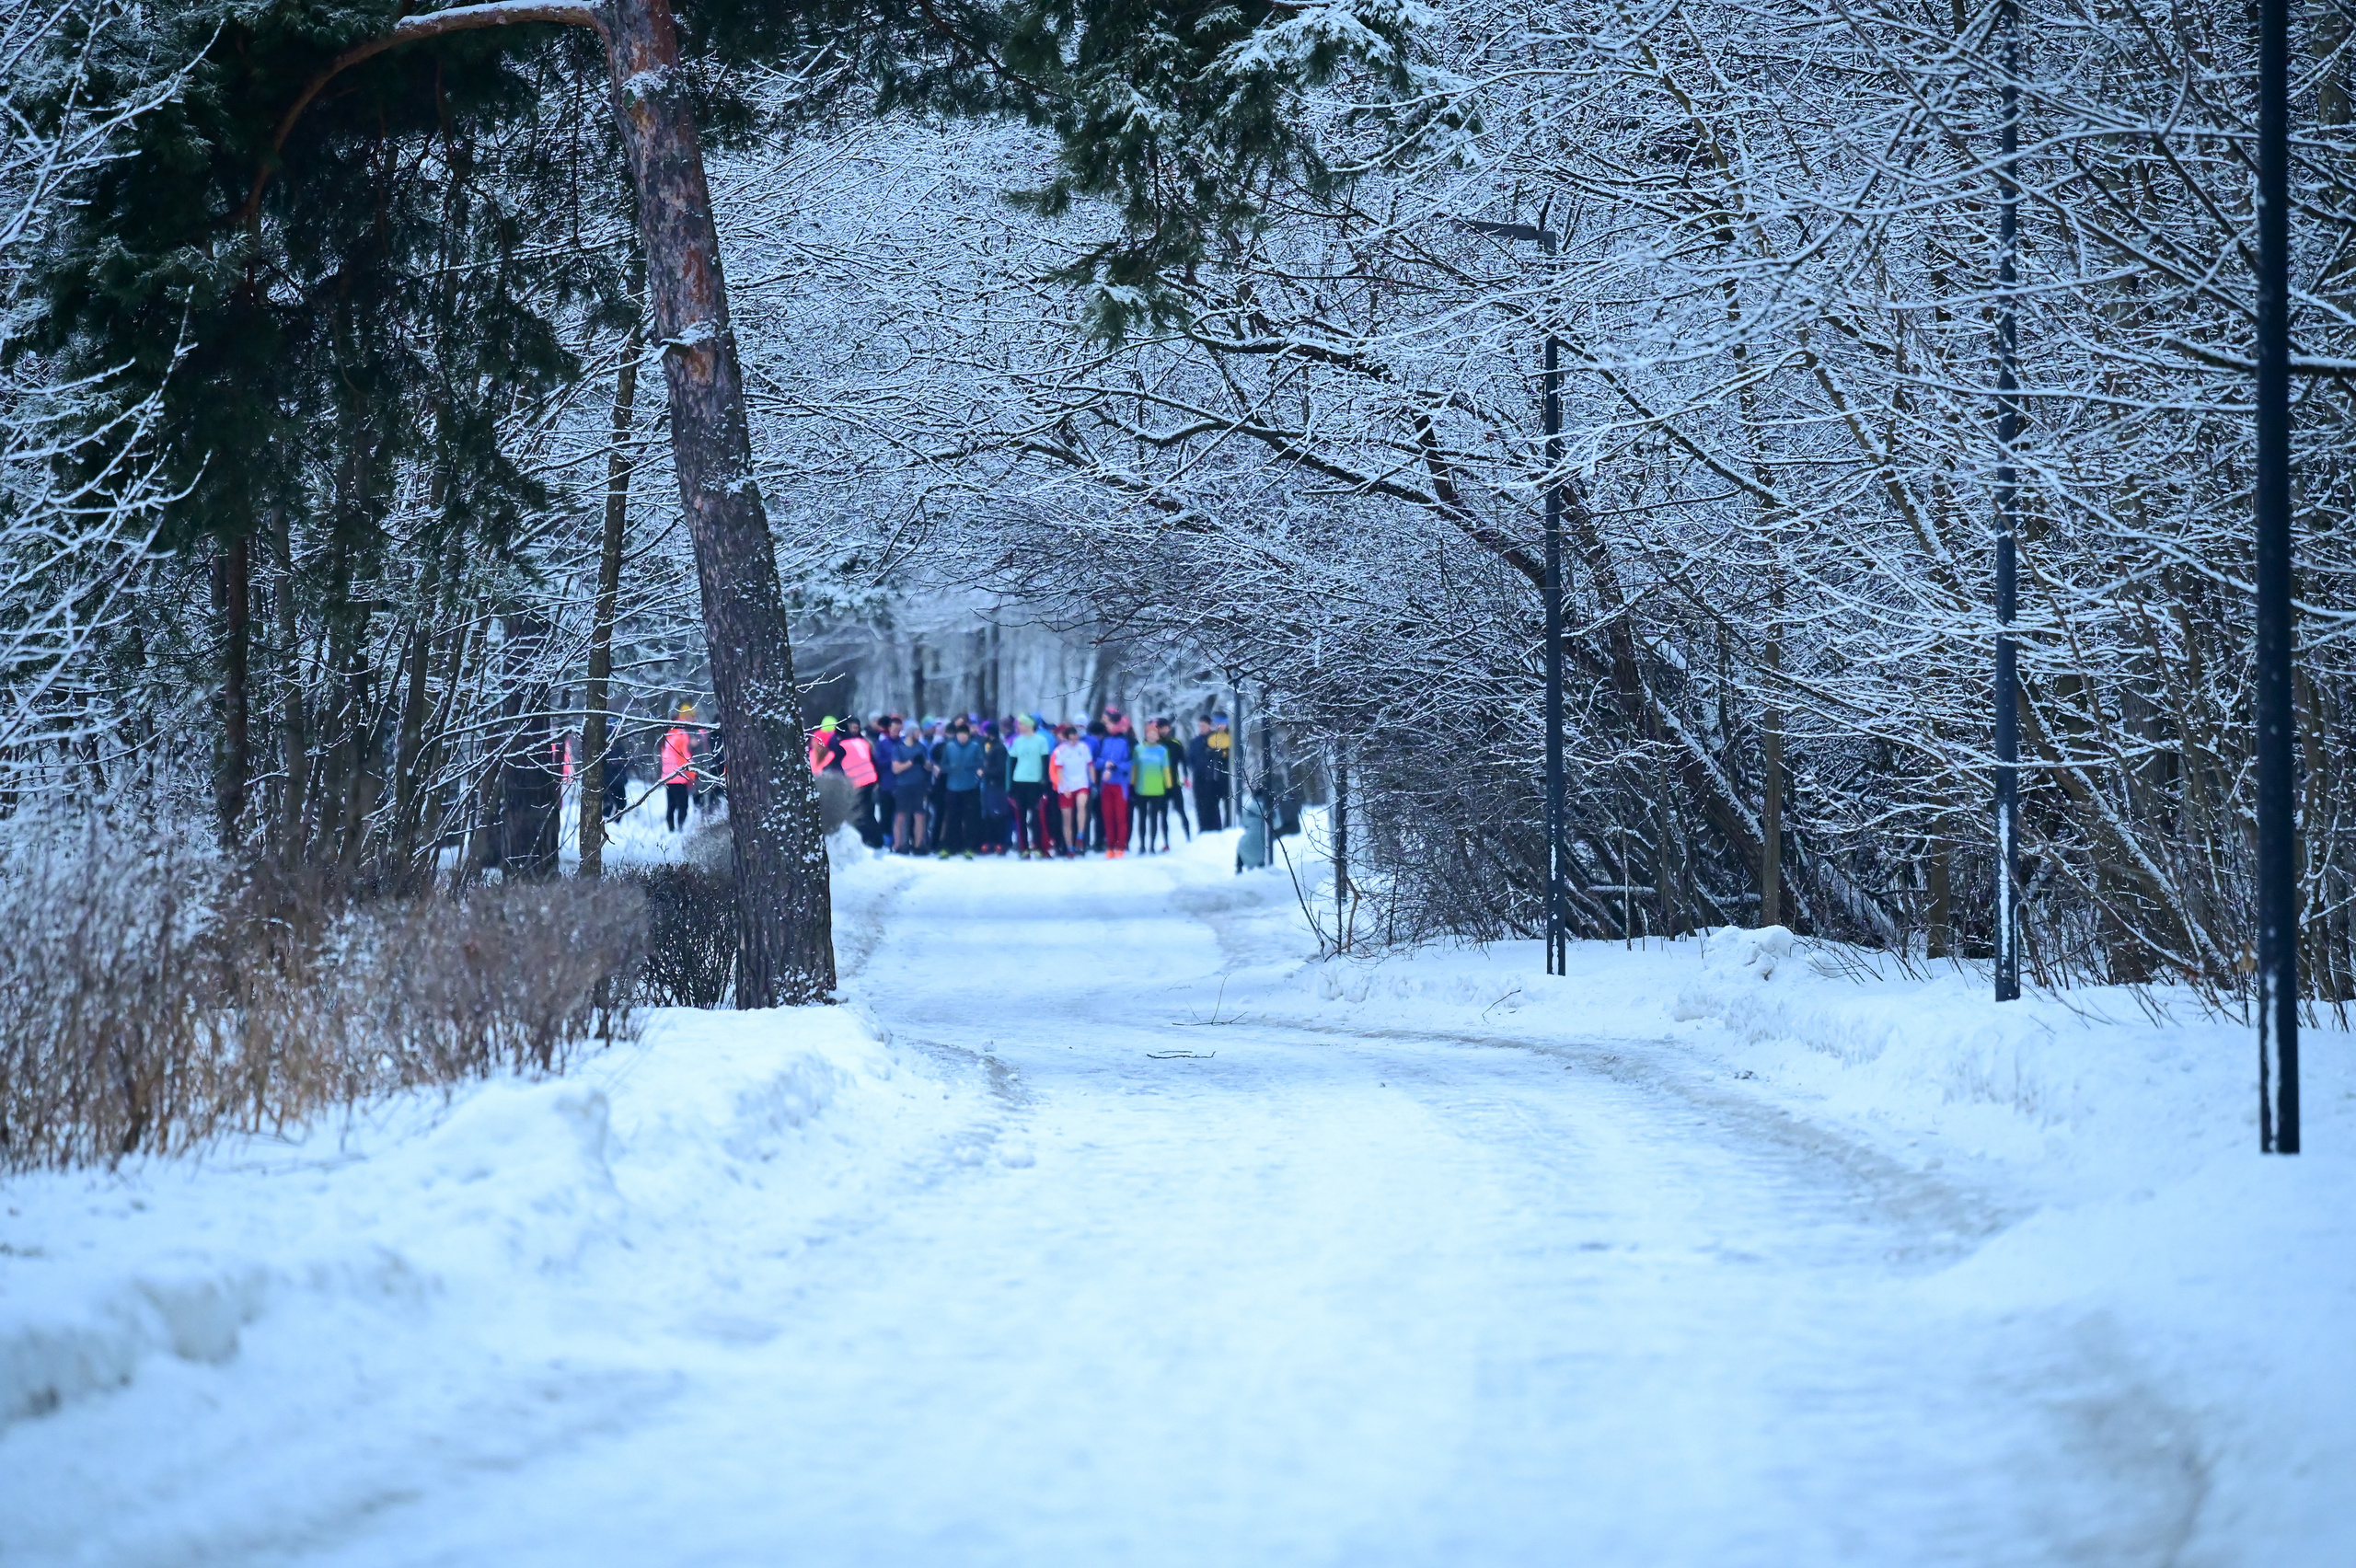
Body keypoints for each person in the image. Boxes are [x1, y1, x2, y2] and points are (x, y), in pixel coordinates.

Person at [935, 718, 985, 858]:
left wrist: (975, 772)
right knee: (952, 819)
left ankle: (969, 847)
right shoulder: (950, 747)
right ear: (956, 735)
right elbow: (943, 765)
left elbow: (981, 764)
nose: (962, 737)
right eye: (960, 734)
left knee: (970, 819)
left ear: (968, 735)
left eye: (965, 734)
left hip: (970, 787)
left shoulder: (975, 747)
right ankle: (949, 846)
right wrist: (950, 769)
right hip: (953, 787)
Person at [1006, 714, 1053, 858]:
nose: (1018, 727)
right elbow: (1012, 764)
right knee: (1021, 816)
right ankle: (1024, 847)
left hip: (1035, 782)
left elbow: (1046, 763)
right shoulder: (1017, 741)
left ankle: (1038, 846)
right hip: (1019, 781)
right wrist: (1010, 787)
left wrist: (1045, 782)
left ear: (1028, 725)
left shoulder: (1041, 741)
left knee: (1036, 817)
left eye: (1021, 724)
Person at [884, 713, 930, 853]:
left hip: (919, 785)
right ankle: (899, 845)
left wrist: (926, 763)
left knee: (920, 815)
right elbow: (896, 768)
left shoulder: (921, 747)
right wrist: (911, 762)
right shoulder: (898, 748)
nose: (919, 734)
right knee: (901, 815)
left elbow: (928, 765)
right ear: (911, 733)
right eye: (917, 731)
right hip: (903, 785)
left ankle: (918, 845)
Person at [838, 717, 883, 848]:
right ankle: (876, 840)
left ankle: (867, 840)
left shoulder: (842, 745)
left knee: (860, 814)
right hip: (870, 779)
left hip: (856, 782)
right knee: (869, 812)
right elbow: (873, 760)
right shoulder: (863, 742)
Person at [1051, 723, 1094, 857]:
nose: (1074, 742)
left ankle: (1080, 836)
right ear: (1066, 739)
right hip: (1066, 785)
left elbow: (1090, 766)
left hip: (1081, 783)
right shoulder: (1061, 751)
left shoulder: (1084, 748)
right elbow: (1059, 770)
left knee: (1082, 805)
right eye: (1071, 739)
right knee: (1067, 818)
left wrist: (1093, 782)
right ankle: (1070, 847)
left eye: (1076, 739)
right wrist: (1063, 786)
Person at [1096, 705, 1134, 858]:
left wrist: (1115, 766)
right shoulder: (1105, 740)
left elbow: (1130, 763)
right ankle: (1109, 845)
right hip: (1106, 784)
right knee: (1107, 815)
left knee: (1120, 816)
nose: (1107, 726)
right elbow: (1097, 760)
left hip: (1120, 784)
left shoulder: (1126, 741)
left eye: (1110, 723)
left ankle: (1121, 845)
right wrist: (1105, 764)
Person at [1134, 721, 1174, 853]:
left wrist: (1169, 786)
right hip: (1141, 788)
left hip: (1157, 789)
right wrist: (1132, 783)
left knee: (1154, 818)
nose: (1152, 736)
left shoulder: (1163, 751)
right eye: (1149, 733)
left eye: (1154, 734)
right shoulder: (1138, 749)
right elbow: (1135, 768)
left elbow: (1166, 769)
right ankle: (1142, 844)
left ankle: (1152, 845)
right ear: (1146, 735)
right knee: (1142, 817)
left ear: (1157, 736)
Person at [661, 704, 699, 832]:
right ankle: (679, 830)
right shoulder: (681, 735)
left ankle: (671, 830)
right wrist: (692, 774)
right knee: (683, 806)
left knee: (671, 805)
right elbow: (684, 757)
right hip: (679, 776)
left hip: (667, 777)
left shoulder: (669, 733)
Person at [978, 721, 1012, 854]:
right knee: (987, 814)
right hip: (988, 785)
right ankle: (989, 841)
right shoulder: (987, 746)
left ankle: (1000, 842)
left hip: (997, 786)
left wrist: (985, 772)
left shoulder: (999, 748)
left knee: (998, 814)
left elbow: (1001, 769)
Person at [1188, 716, 1225, 832]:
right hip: (1199, 777)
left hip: (1212, 778)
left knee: (1212, 804)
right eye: (1200, 725)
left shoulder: (1215, 739)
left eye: (1204, 725)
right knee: (1200, 803)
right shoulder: (1195, 742)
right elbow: (1190, 758)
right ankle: (1203, 827)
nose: (1202, 728)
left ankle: (1215, 827)